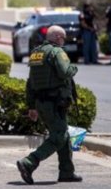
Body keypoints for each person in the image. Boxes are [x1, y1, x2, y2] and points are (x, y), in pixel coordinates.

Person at [16, 25, 82, 185]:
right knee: (59, 136)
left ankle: (67, 172)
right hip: (55, 102)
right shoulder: (57, 52)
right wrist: (74, 68)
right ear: (58, 37)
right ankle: (29, 162)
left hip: (42, 102)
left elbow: (30, 83)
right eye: (64, 38)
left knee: (63, 135)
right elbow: (65, 71)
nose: (64, 41)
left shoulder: (36, 54)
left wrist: (31, 106)